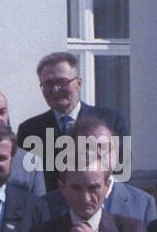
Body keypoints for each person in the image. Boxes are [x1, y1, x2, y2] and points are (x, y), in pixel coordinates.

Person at [17, 51, 129, 193]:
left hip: (100, 207)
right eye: (48, 84)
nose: (55, 89)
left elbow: (122, 171)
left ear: (79, 83)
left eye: (62, 82)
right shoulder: (29, 130)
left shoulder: (110, 121)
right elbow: (27, 180)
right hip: (49, 211)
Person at [42, 119, 155, 223]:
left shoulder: (142, 204)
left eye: (105, 147)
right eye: (89, 146)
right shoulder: (46, 206)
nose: (99, 153)